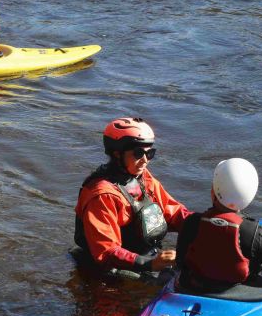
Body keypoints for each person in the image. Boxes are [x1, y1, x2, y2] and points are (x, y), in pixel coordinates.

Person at [74, 117, 192, 275]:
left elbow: (172, 212)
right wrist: (150, 263)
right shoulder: (102, 196)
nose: (145, 160)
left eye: (150, 153)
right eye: (138, 153)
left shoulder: (142, 177)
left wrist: (202, 224)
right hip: (113, 268)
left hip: (147, 257)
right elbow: (106, 252)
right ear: (117, 154)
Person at [176, 158, 262, 292]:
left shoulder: (191, 222)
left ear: (213, 191)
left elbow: (181, 263)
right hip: (237, 293)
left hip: (195, 286)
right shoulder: (255, 233)